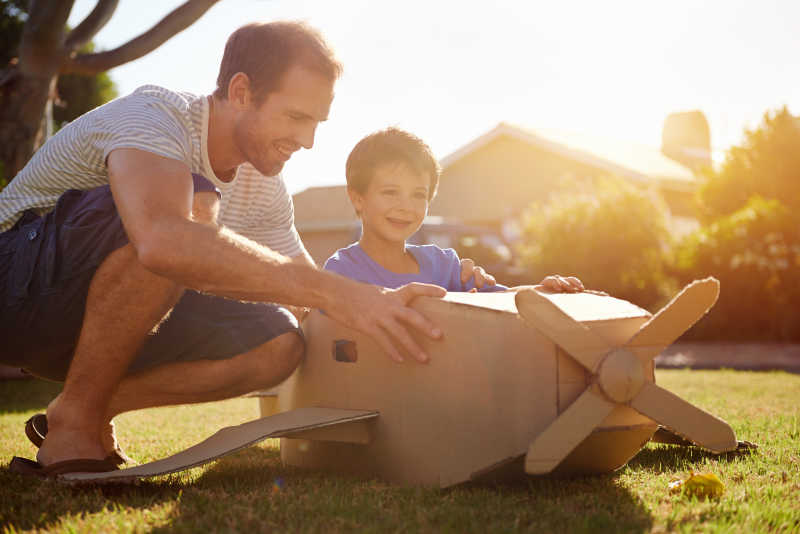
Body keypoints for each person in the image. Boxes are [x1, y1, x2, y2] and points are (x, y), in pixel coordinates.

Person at [0, 22, 489, 477]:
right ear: (240, 92)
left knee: (278, 338)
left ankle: (82, 409)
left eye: (317, 122)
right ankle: (76, 432)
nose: (308, 140)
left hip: (88, 325)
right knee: (185, 217)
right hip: (14, 293)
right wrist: (339, 293)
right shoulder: (156, 117)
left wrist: (395, 312)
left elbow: (307, 296)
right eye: (296, 117)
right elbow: (163, 239)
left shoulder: (263, 187)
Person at [324, 128, 584, 294]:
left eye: (418, 195)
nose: (405, 206)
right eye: (390, 192)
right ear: (357, 198)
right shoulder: (341, 273)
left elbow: (504, 301)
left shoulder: (443, 265)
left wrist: (541, 291)